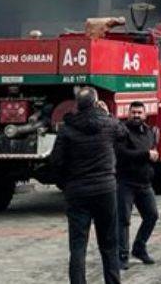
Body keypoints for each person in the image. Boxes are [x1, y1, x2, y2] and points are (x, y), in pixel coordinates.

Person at [49, 86, 126, 284]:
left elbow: (56, 162)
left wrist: (65, 185)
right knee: (109, 244)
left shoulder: (67, 128)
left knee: (77, 246)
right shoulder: (108, 124)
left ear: (78, 105)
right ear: (95, 102)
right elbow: (124, 134)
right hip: (105, 190)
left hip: (77, 191)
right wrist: (107, 113)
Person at [115, 101, 159, 270]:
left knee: (152, 215)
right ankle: (122, 255)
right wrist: (146, 154)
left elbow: (152, 152)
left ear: (145, 114)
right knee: (123, 220)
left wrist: (152, 157)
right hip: (125, 183)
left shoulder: (149, 132)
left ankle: (139, 248)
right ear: (128, 113)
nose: (136, 115)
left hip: (144, 183)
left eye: (139, 112)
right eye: (133, 112)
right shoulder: (122, 131)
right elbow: (122, 154)